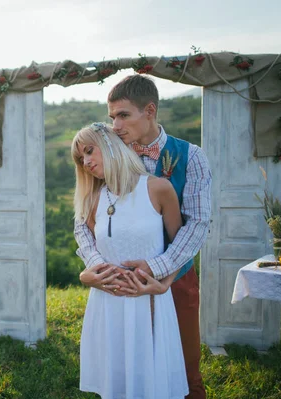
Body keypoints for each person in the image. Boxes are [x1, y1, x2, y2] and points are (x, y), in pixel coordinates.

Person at [75, 74, 212, 399]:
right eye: (111, 117)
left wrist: (158, 267)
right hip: (119, 284)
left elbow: (198, 223)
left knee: (184, 369)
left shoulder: (191, 156)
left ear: (149, 110)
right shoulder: (108, 154)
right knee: (127, 369)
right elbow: (83, 218)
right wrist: (96, 265)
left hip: (174, 278)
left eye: (123, 115)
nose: (116, 124)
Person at [72, 122, 189, 399]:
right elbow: (89, 246)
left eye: (90, 151)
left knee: (151, 385)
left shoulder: (159, 189)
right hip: (107, 303)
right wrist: (88, 273)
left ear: (111, 145)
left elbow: (181, 248)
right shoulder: (93, 199)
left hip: (148, 301)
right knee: (116, 384)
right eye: (81, 158)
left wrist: (163, 284)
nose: (86, 162)